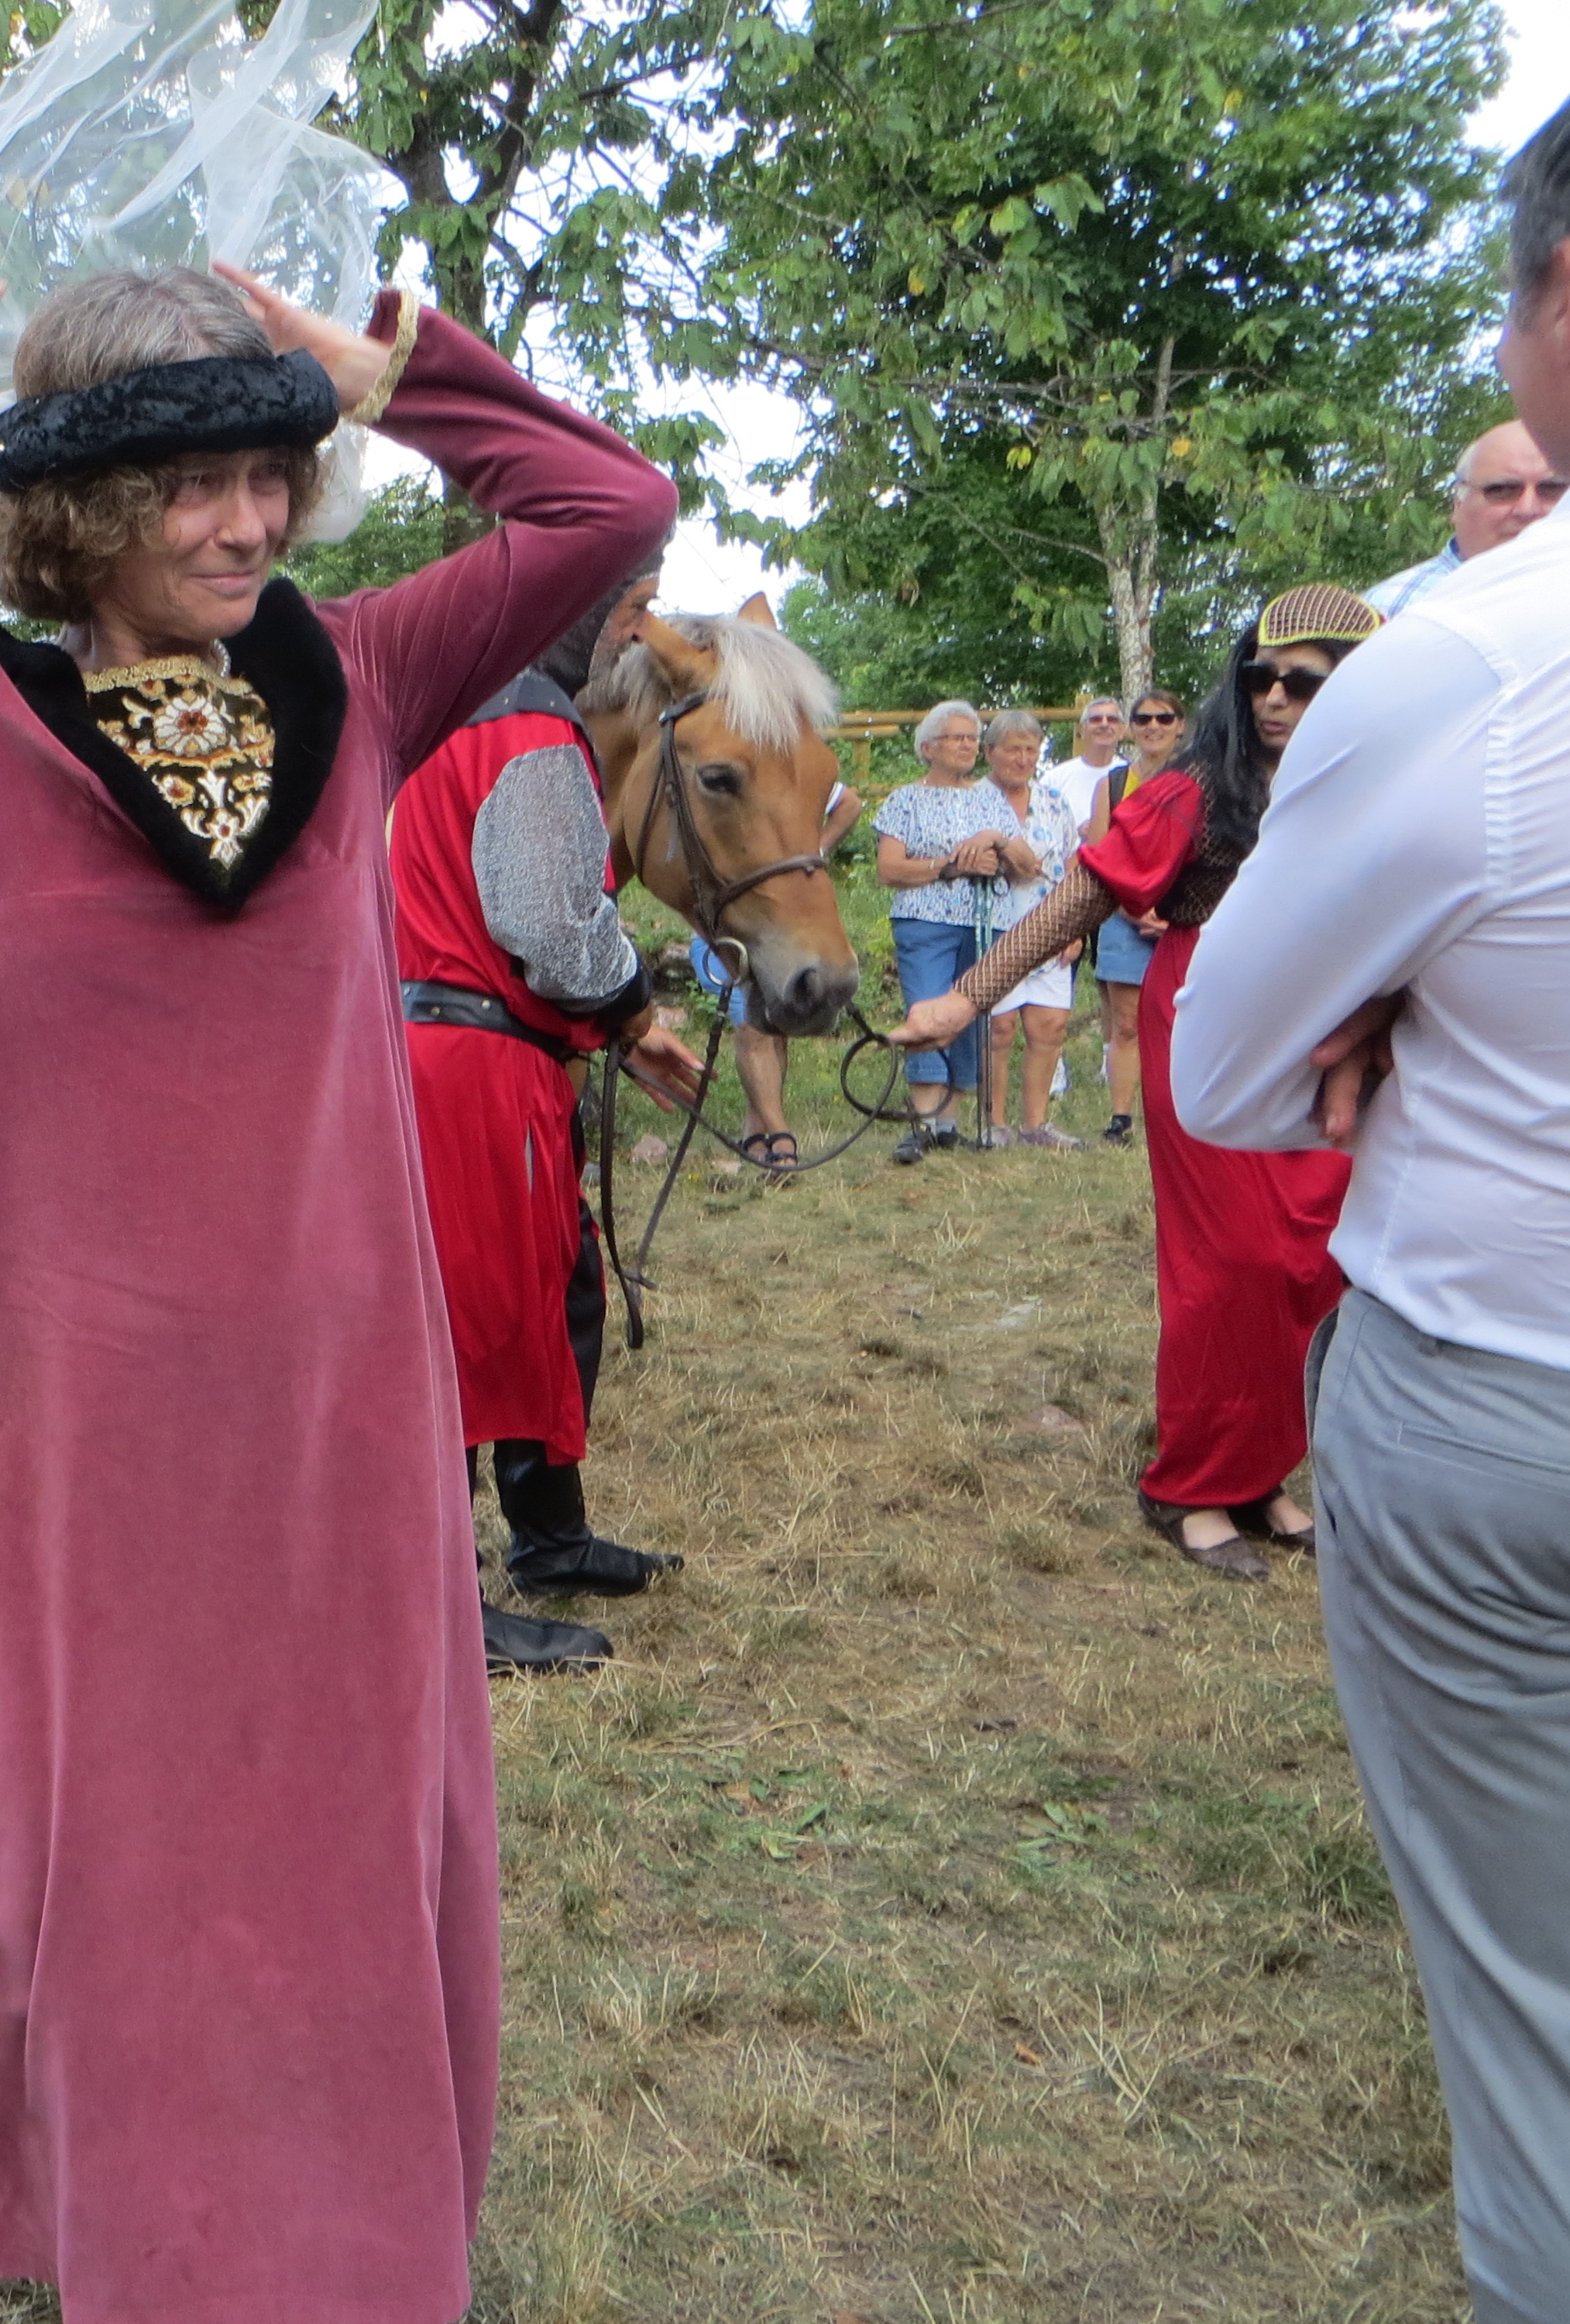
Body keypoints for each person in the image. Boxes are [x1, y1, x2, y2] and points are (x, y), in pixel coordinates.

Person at [0, 254, 675, 2319]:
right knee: (99, 1839)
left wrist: (403, 374)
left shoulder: (363, 677)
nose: (248, 520)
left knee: (318, 1820)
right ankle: (108, 2212)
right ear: (83, 505)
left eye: (273, 472)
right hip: (59, 1400)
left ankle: (335, 2219)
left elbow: (608, 510)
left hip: (325, 1395)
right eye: (194, 481)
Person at [1167, 103, 1570, 2321]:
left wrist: (1397, 1001)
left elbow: (1232, 1064)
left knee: (1537, 2019)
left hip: (1508, 1369)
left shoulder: (1479, 665)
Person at [890, 584, 1380, 1576]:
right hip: (1209, 1020)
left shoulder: (1378, 784)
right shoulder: (1194, 788)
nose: (1272, 699)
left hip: (1322, 1029)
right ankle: (1187, 1485)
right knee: (1231, 1260)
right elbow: (1085, 893)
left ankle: (1259, 1474)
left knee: (1309, 1263)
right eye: (1260, 678)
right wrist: (964, 1001)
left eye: (1302, 684)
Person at [394, 562, 702, 1676]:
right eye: (630, 603)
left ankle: (551, 1538)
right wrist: (633, 1008)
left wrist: (618, 1024)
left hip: (478, 1053)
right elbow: (548, 924)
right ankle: (439, 1605)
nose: (640, 629)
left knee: (552, 1288)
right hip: (471, 1067)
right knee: (466, 1322)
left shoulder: (458, 703)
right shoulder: (521, 717)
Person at [871, 701, 1025, 1162]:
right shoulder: (905, 800)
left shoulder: (990, 799)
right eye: (957, 737)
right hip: (926, 920)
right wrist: (950, 867)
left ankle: (948, 1125)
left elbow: (1027, 864)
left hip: (984, 921)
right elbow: (889, 869)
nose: (968, 746)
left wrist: (994, 841)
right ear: (928, 747)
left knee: (971, 1013)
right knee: (926, 1008)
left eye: (972, 738)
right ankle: (922, 1122)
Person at [687, 772, 859, 1170]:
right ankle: (780, 1135)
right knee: (752, 1028)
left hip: (781, 924)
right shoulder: (719, 783)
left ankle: (756, 1129)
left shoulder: (783, 775)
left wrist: (814, 852)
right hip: (725, 922)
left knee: (774, 1026)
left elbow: (848, 803)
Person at [967, 709, 1080, 1151]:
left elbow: (1073, 863)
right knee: (999, 1027)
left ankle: (1036, 1124)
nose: (1022, 759)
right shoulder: (972, 799)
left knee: (1050, 1025)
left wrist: (1075, 927)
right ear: (989, 752)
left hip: (1050, 923)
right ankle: (994, 1122)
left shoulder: (1053, 799)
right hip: (992, 926)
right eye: (1013, 749)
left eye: (1031, 750)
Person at [1085, 687, 1183, 1142]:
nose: (1153, 727)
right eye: (1143, 719)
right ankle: (1121, 1118)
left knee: (1179, 1023)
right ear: (1131, 728)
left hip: (1184, 916)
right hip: (1125, 915)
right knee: (1126, 1023)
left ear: (1180, 726)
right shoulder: (1114, 784)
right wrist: (1136, 909)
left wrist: (1174, 913)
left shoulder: (1196, 779)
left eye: (1164, 719)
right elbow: (1101, 854)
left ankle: (1176, 1117)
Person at [1362, 416, 1567, 616]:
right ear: (1458, 504)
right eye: (1502, 490)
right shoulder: (1393, 610)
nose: (1527, 509)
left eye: (1553, 489)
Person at [1040, 694, 1124, 830]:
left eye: (1112, 719)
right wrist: (1075, 831)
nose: (1104, 724)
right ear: (1082, 730)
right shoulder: (1055, 779)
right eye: (1096, 719)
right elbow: (1037, 825)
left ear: (1122, 730)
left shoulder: (1133, 776)